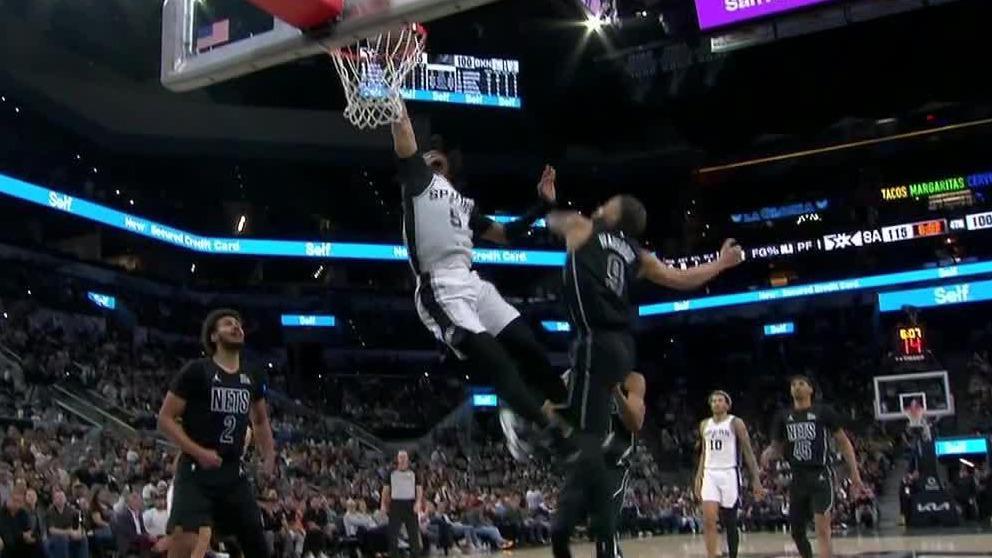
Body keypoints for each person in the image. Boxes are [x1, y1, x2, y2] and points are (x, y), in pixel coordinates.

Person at [547, 196, 744, 558]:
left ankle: (569, 533)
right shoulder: (637, 253)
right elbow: (681, 279)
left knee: (582, 440)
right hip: (620, 343)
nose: (600, 205)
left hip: (594, 339)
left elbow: (549, 220)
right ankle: (588, 532)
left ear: (613, 213)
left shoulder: (583, 227)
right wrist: (721, 263)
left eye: (606, 203)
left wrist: (549, 203)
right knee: (581, 434)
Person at [389, 104, 569, 438]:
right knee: (497, 361)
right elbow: (403, 131)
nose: (434, 159)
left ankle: (566, 409)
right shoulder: (416, 183)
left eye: (439, 158)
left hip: (470, 281)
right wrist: (394, 98)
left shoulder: (459, 201)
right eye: (427, 157)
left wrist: (543, 205)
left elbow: (505, 235)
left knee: (526, 343)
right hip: (440, 286)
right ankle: (549, 430)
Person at [158, 309, 276, 558]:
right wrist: (199, 452)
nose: (236, 327)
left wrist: (269, 456)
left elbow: (261, 420)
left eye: (238, 324)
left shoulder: (253, 374)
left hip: (233, 472)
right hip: (195, 473)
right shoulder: (196, 371)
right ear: (213, 336)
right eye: (228, 324)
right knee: (184, 545)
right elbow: (165, 419)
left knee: (258, 544)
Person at [761, 375, 867, 558]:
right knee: (796, 532)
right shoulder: (783, 416)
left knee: (823, 530)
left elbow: (844, 442)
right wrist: (767, 453)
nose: (796, 387)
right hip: (797, 476)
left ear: (811, 389)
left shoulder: (822, 412)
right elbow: (776, 447)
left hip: (820, 474)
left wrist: (855, 474)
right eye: (793, 384)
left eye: (801, 384)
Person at [694, 390, 765, 558]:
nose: (717, 403)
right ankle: (712, 554)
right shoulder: (705, 424)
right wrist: (699, 476)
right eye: (713, 401)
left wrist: (756, 479)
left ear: (727, 405)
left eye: (720, 400)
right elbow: (704, 452)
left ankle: (733, 555)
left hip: (729, 473)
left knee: (730, 522)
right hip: (710, 473)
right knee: (709, 520)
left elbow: (747, 450)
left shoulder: (735, 423)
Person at [382, 451, 423, 558]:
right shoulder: (391, 472)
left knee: (413, 534)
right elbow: (386, 490)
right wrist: (383, 504)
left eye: (405, 457)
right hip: (395, 504)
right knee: (393, 535)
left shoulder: (414, 471)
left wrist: (418, 502)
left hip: (410, 504)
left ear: (408, 459)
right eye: (401, 457)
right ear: (397, 459)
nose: (403, 459)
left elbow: (419, 489)